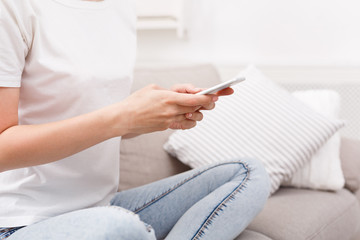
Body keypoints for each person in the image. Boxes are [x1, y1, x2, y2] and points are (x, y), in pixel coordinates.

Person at [0, 0, 270, 239]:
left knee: (248, 173)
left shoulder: (122, 7)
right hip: (20, 222)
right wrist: (125, 116)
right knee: (123, 228)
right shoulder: (14, 7)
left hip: (103, 208)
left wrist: (153, 112)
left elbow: (99, 113)